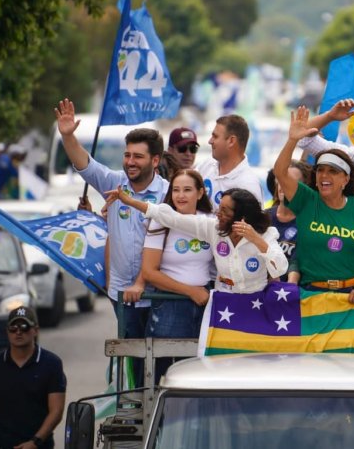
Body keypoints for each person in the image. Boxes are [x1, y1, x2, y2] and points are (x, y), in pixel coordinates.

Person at [55, 98, 167, 383]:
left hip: (160, 296)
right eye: (127, 155)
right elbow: (86, 165)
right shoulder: (113, 184)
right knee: (131, 366)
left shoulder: (169, 194)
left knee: (159, 365)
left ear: (155, 160)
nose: (130, 162)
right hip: (122, 298)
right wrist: (68, 136)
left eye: (138, 156)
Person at [274, 106, 354, 304]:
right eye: (320, 170)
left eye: (333, 171)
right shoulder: (306, 199)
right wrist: (292, 140)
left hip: (351, 296)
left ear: (345, 179)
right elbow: (280, 172)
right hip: (311, 295)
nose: (324, 176)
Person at [106, 186, 287, 293]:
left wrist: (256, 239)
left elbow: (280, 267)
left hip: (256, 304)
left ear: (242, 216)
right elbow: (172, 218)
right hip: (224, 304)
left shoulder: (266, 234)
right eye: (219, 208)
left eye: (225, 211)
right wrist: (129, 201)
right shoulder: (213, 228)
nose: (218, 214)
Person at [128, 169, 215, 382]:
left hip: (206, 304)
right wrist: (190, 291)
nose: (180, 195)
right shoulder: (160, 221)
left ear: (201, 193)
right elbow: (149, 271)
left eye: (187, 190)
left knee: (202, 368)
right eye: (175, 190)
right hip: (169, 305)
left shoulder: (210, 221)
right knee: (163, 371)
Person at [0, 307, 66, 449]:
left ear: (35, 330)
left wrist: (35, 441)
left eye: (24, 327)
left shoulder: (52, 364)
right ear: (7, 331)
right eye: (13, 327)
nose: (18, 332)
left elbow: (56, 411)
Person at [197, 114, 263, 208]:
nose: (210, 141)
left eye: (215, 137)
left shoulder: (248, 185)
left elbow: (253, 222)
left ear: (231, 141)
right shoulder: (206, 165)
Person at [266, 160, 312, 283]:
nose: (283, 185)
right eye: (281, 180)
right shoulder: (262, 217)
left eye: (290, 181)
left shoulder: (312, 223)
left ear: (304, 188)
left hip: (294, 293)